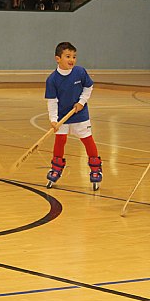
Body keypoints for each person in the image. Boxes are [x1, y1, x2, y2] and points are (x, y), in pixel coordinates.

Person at [44, 42, 102, 190]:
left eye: (74, 56)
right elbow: (52, 102)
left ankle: (95, 169)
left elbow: (88, 87)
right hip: (63, 117)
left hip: (80, 115)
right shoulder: (52, 80)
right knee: (60, 141)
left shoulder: (80, 72)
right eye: (68, 56)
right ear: (58, 58)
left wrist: (81, 102)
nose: (72, 59)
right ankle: (56, 169)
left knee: (88, 140)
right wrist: (53, 120)